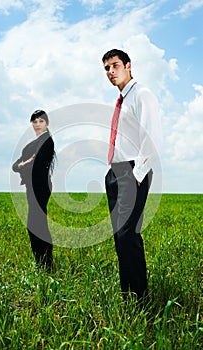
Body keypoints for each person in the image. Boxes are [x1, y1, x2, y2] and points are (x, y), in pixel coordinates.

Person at [102, 49, 161, 302]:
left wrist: (137, 174)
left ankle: (140, 297)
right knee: (119, 236)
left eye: (115, 65)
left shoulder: (142, 95)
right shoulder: (122, 100)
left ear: (128, 65)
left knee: (128, 233)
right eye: (106, 68)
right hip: (114, 172)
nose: (110, 72)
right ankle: (127, 293)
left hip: (132, 171)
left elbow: (153, 136)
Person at [12, 110, 55, 269]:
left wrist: (23, 164)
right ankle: (41, 263)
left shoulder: (47, 141)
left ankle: (46, 263)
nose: (37, 125)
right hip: (33, 186)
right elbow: (15, 165)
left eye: (40, 121)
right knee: (36, 224)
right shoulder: (35, 142)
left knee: (37, 225)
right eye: (34, 122)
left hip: (40, 187)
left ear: (47, 123)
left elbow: (34, 163)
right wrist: (23, 164)